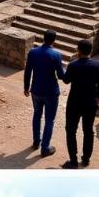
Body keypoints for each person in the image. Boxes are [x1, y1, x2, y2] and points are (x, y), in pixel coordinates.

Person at [62, 39, 99, 170]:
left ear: (78, 50)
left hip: (74, 102)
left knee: (71, 130)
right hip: (90, 103)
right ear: (91, 50)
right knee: (88, 131)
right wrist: (98, 97)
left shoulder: (73, 65)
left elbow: (66, 81)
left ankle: (73, 161)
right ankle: (86, 159)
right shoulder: (98, 65)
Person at [24, 30, 65, 158]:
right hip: (51, 92)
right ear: (54, 40)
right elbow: (60, 76)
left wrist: (26, 87)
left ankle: (36, 141)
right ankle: (45, 147)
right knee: (49, 120)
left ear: (43, 38)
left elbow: (28, 71)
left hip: (36, 90)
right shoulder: (56, 55)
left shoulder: (33, 52)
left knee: (37, 114)